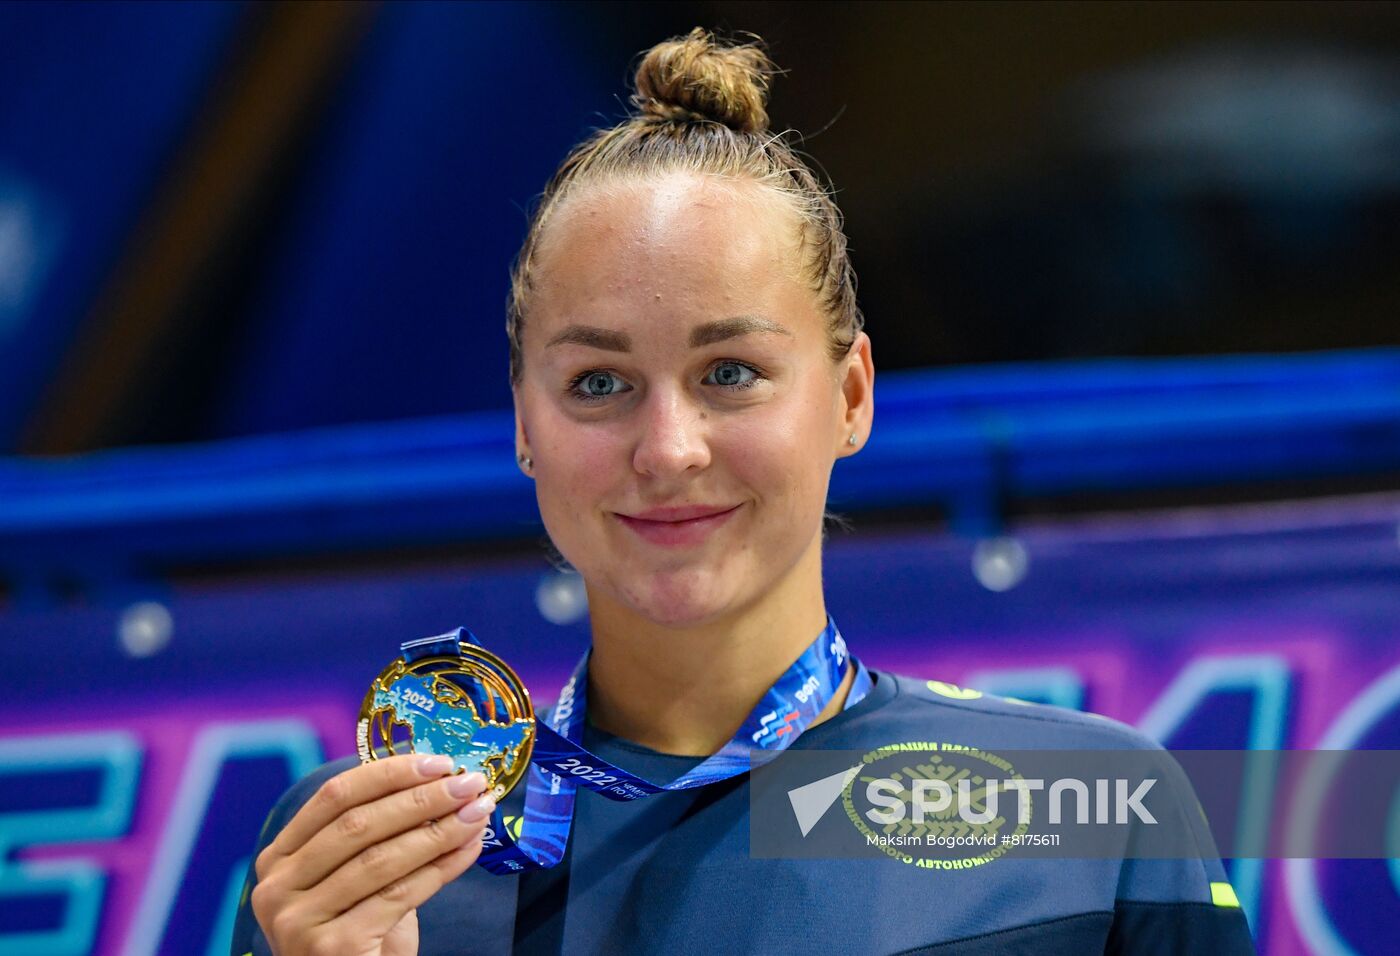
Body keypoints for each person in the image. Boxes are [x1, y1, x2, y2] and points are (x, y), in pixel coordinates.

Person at [231, 28, 1255, 956]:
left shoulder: (1087, 812)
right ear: (522, 425)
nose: (668, 449)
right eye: (598, 383)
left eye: (729, 372)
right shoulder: (362, 858)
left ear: (850, 395)